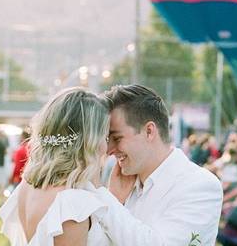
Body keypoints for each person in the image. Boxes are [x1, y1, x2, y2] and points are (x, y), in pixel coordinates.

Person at [95, 83, 224, 245]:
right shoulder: (121, 188)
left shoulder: (201, 185)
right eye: (107, 140)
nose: (109, 150)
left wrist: (108, 201)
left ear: (149, 131)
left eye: (117, 138)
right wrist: (116, 200)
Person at [0, 87, 111, 245]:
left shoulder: (27, 186)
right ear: (89, 141)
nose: (107, 148)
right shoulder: (72, 203)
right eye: (105, 137)